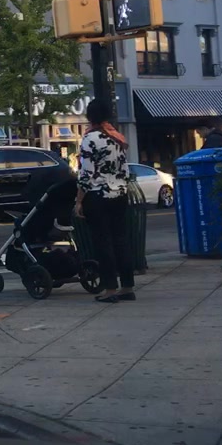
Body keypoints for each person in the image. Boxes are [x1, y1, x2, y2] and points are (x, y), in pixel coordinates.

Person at [75, 99, 134, 303]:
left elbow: (86, 173)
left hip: (98, 195)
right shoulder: (116, 137)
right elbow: (125, 168)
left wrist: (79, 201)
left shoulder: (90, 138)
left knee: (103, 242)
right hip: (120, 194)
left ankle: (110, 288)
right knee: (121, 239)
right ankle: (127, 286)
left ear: (89, 116)